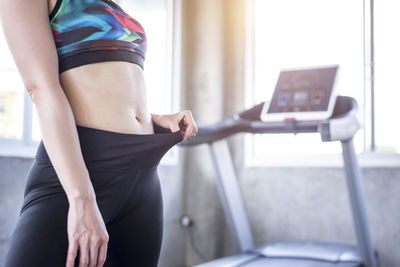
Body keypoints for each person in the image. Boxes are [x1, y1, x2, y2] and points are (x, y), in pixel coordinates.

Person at [0, 0, 198, 266]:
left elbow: (102, 86)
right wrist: (81, 198)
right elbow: (41, 89)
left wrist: (153, 119)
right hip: (81, 173)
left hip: (144, 179)